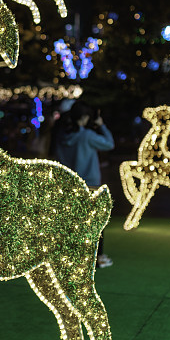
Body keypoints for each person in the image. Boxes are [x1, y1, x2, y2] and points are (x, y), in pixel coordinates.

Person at [55, 101, 115, 267]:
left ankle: (69, 258)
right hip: (90, 185)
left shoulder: (61, 135)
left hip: (68, 185)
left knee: (71, 224)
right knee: (95, 224)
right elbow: (109, 144)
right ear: (85, 117)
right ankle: (97, 258)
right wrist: (101, 126)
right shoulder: (86, 136)